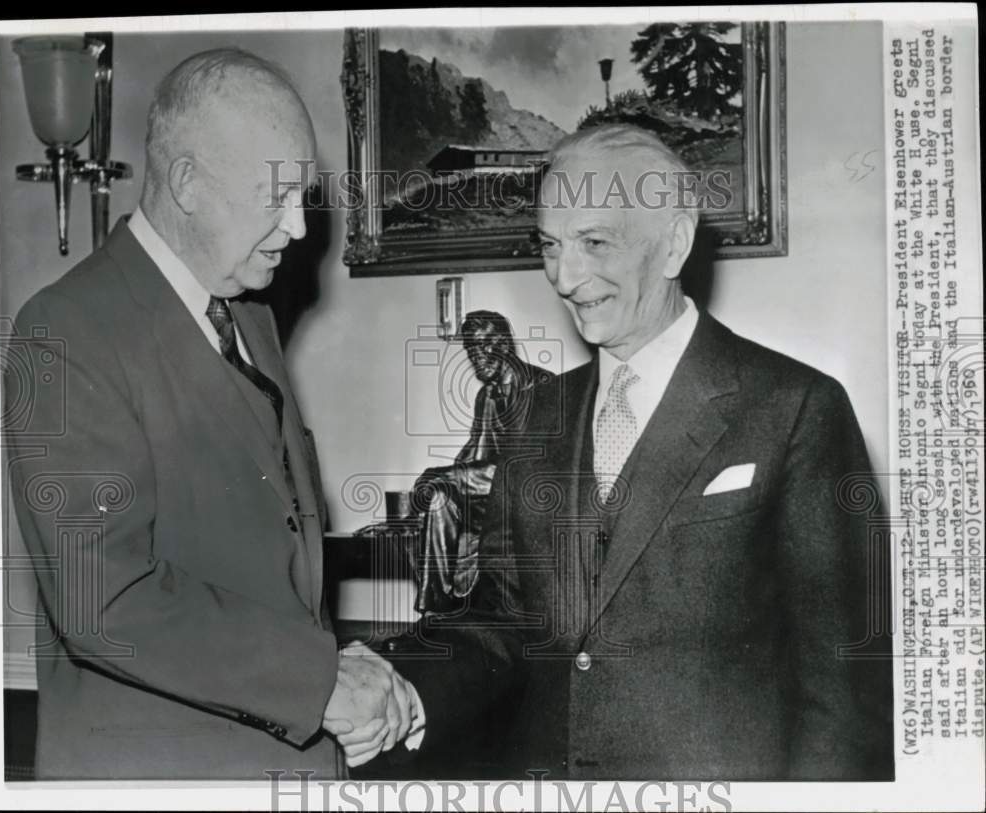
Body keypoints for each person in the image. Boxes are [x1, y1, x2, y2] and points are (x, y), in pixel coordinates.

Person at [378, 124, 894, 780]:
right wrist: (397, 684)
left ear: (674, 242)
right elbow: (498, 619)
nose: (565, 277)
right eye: (550, 246)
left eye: (594, 242)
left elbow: (844, 690)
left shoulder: (794, 408)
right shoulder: (535, 415)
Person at [6, 48, 419, 780]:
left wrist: (336, 669)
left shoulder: (248, 312)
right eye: (277, 196)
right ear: (188, 183)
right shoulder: (66, 329)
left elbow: (267, 550)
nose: (298, 227)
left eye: (305, 197)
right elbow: (106, 599)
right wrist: (318, 682)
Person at [408, 311, 548, 613]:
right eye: (471, 349)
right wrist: (442, 480)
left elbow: (519, 466)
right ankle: (437, 608)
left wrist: (443, 474)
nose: (476, 357)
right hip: (491, 493)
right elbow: (474, 451)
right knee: (440, 499)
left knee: (443, 481)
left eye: (484, 346)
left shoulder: (536, 385)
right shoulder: (485, 395)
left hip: (526, 493)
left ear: (504, 345)